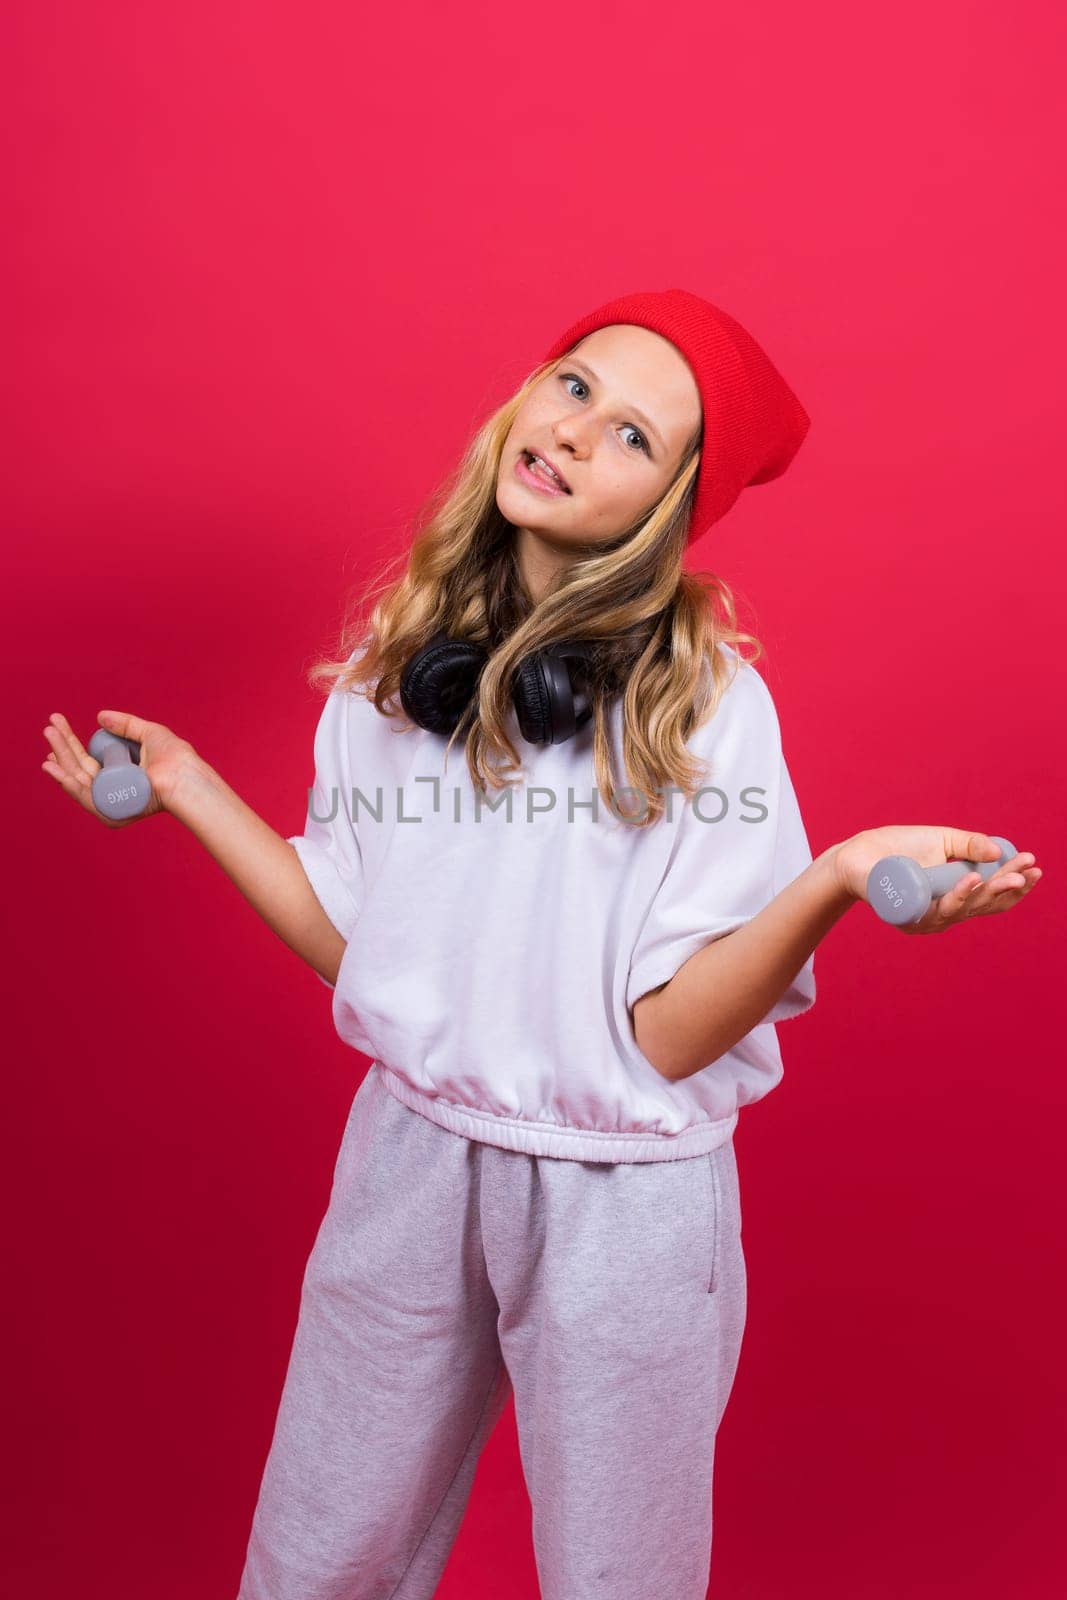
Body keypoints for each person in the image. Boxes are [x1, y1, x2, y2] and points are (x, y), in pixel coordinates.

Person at [41, 288, 1041, 1600]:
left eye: (633, 435)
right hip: (409, 1154)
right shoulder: (400, 678)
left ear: (675, 504)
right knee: (319, 1546)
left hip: (620, 1199)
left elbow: (668, 1038)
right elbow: (367, 950)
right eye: (573, 384)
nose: (574, 432)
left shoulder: (709, 714)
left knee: (616, 1574)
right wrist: (192, 789)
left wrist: (836, 878)